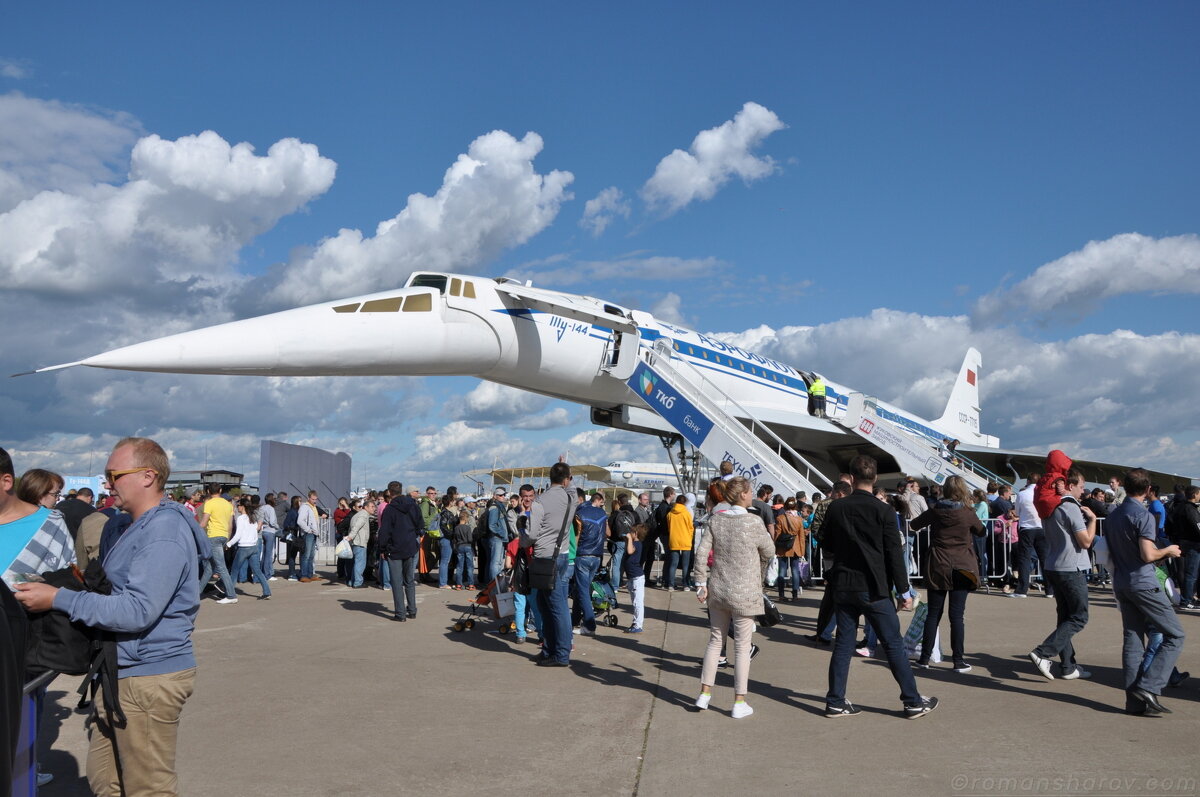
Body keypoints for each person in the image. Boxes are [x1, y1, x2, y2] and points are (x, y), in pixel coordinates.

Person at [14, 437, 207, 797]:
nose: (108, 483)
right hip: (120, 672)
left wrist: (59, 597)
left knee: (147, 788)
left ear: (148, 476)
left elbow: (136, 611)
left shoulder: (163, 532)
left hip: (148, 675)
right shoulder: (130, 526)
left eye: (114, 475)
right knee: (106, 781)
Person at [822, 455, 938, 719]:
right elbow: (894, 554)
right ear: (874, 479)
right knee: (893, 643)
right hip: (874, 586)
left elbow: (826, 544)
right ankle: (912, 701)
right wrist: (904, 591)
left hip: (844, 583)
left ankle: (835, 701)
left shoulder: (836, 507)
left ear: (850, 479)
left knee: (843, 644)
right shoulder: (883, 510)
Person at [1105, 468, 1186, 715]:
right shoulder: (1144, 515)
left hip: (1122, 582)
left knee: (1132, 641)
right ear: (1148, 489)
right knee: (1176, 635)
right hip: (1143, 582)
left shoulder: (1113, 516)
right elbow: (1148, 555)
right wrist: (1169, 551)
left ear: (1125, 487)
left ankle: (1134, 703)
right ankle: (1150, 686)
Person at [692, 477, 774, 719]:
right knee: (741, 646)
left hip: (718, 588)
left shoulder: (716, 520)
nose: (751, 495)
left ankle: (704, 694)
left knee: (715, 641)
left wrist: (700, 582)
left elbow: (701, 552)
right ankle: (739, 701)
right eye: (749, 492)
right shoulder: (753, 522)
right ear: (743, 495)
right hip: (745, 592)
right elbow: (769, 550)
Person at [909, 475, 985, 673]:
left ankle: (924, 658)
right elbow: (981, 531)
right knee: (957, 616)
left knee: (934, 613)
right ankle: (958, 661)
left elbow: (914, 524)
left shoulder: (935, 510)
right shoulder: (968, 512)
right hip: (962, 565)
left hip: (938, 564)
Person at [1028, 468, 1097, 681]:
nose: (1083, 491)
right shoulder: (1070, 508)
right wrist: (1093, 520)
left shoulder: (1050, 507)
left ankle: (1068, 666)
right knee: (1079, 617)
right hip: (1070, 567)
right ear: (1070, 486)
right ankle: (1043, 652)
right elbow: (1085, 542)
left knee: (1065, 617)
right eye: (1081, 487)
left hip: (1054, 564)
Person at [521, 462, 577, 667]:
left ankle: (560, 654)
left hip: (544, 557)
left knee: (555, 607)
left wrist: (521, 530)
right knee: (548, 605)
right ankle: (549, 649)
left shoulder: (540, 502)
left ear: (548, 478)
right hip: (562, 555)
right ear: (566, 478)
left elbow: (531, 536)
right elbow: (570, 486)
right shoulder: (571, 498)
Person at [378, 481, 424, 620]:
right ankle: (412, 610)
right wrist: (414, 534)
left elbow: (384, 532)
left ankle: (400, 613)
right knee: (409, 580)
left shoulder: (390, 509)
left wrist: (382, 548)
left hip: (395, 548)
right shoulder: (413, 506)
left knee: (397, 582)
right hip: (410, 546)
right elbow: (420, 524)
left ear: (390, 493)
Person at [572, 492, 607, 635]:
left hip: (583, 554)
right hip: (597, 555)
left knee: (582, 591)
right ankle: (575, 620)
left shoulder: (579, 514)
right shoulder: (602, 513)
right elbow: (608, 533)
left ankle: (590, 624)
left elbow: (576, 536)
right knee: (582, 590)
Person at [197, 483, 238, 604]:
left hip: (213, 536)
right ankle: (196, 594)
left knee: (221, 567)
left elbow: (204, 523)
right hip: (224, 535)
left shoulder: (209, 503)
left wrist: (194, 533)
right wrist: (227, 539)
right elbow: (230, 525)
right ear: (220, 490)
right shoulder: (228, 504)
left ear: (208, 491)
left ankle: (231, 595)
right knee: (210, 568)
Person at [228, 500, 271, 600]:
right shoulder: (253, 517)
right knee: (257, 571)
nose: (237, 507)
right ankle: (267, 591)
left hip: (243, 547)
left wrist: (229, 544)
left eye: (238, 505)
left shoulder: (241, 518)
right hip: (253, 546)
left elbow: (238, 535)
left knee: (234, 571)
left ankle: (229, 593)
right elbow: (256, 530)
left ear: (242, 507)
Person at [1170, 486, 1200, 609]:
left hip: (1183, 542)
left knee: (1189, 572)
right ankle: (1186, 600)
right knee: (1191, 573)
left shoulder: (1179, 508)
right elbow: (1197, 526)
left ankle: (1188, 598)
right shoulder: (1190, 509)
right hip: (1193, 543)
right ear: (1194, 495)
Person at [773, 497, 808, 602]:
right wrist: (802, 550)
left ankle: (781, 594)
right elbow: (801, 536)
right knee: (795, 571)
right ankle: (795, 594)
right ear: (795, 506)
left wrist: (775, 547)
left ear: (786, 506)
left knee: (782, 572)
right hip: (796, 547)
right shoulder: (799, 519)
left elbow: (777, 534)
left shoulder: (780, 518)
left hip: (783, 547)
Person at [663, 495, 694, 590]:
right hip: (685, 540)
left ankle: (671, 585)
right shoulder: (686, 513)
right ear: (685, 503)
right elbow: (690, 527)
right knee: (685, 565)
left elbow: (669, 527)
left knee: (673, 564)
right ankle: (685, 585)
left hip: (674, 539)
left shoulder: (670, 513)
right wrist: (690, 536)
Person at [624, 522, 647, 633]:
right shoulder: (634, 543)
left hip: (637, 578)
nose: (629, 534)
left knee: (638, 602)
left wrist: (629, 539)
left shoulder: (637, 544)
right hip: (632, 578)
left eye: (631, 532)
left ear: (636, 533)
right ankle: (635, 622)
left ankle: (638, 625)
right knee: (634, 602)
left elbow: (629, 551)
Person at [347, 499, 373, 588]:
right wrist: (350, 536)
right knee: (360, 563)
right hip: (360, 542)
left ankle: (353, 581)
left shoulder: (357, 514)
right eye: (372, 506)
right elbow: (356, 526)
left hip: (355, 542)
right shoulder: (363, 515)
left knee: (356, 563)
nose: (374, 508)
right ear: (366, 507)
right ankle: (358, 582)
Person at [297, 490, 320, 582]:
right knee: (306, 555)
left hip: (314, 533)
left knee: (311, 555)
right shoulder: (305, 507)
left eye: (316, 499)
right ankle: (304, 575)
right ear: (309, 498)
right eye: (313, 499)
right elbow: (300, 521)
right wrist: (308, 530)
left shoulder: (313, 507)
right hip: (308, 534)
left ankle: (310, 574)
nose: (314, 501)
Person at [451, 511, 476, 590]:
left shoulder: (456, 528)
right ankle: (471, 585)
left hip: (459, 546)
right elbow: (470, 539)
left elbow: (454, 539)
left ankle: (459, 584)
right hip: (468, 546)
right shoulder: (467, 528)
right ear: (466, 519)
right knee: (469, 566)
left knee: (459, 566)